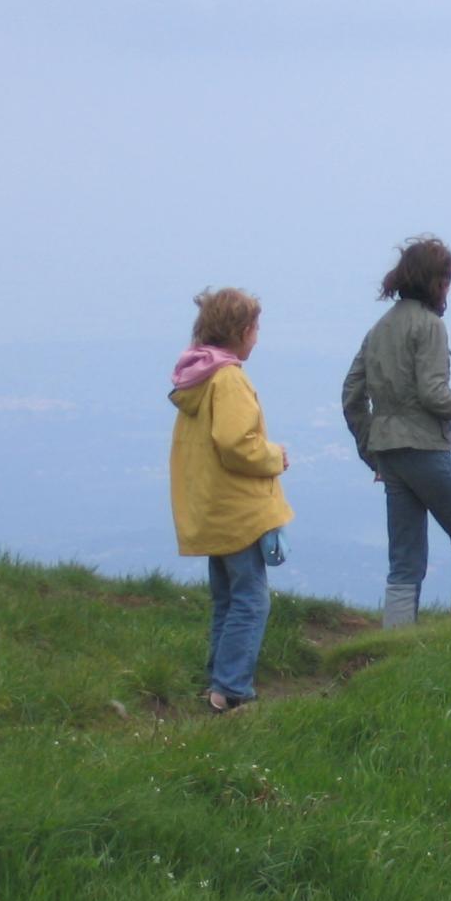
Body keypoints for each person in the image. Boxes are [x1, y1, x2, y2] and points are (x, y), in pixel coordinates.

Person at [342, 234, 451, 628]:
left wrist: (372, 452)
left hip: (389, 453)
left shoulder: (380, 328)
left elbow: (352, 393)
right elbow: (435, 396)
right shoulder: (430, 327)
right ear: (438, 282)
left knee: (404, 561)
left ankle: (394, 643)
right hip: (424, 448)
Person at [168, 287, 293, 712]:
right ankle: (233, 690)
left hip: (210, 508)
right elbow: (236, 443)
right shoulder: (229, 379)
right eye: (256, 330)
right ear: (242, 332)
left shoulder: (197, 377)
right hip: (237, 511)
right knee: (251, 600)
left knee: (226, 598)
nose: (257, 338)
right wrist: (275, 456)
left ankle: (217, 683)